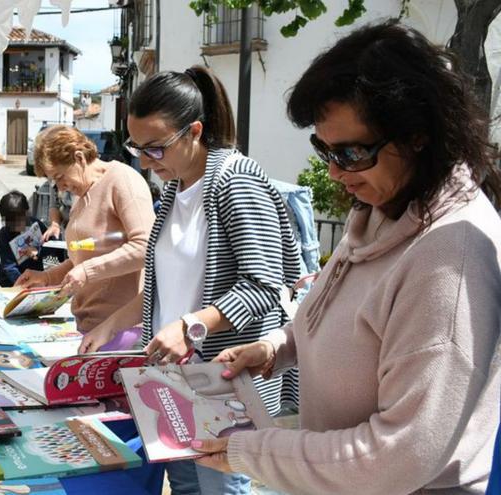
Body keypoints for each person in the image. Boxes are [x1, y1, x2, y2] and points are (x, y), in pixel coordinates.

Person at [189, 22, 501, 494]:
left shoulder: (449, 262)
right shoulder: (385, 205)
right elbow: (348, 318)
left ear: (418, 135)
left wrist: (248, 450)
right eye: (324, 149)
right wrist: (279, 348)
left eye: (352, 152)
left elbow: (401, 453)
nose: (334, 172)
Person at [78, 65, 300, 495]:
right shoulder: (174, 190)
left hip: (223, 386)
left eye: (155, 148)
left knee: (219, 489)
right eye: (136, 147)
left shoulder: (237, 181)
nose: (144, 161)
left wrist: (192, 326)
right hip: (175, 384)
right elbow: (168, 287)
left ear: (194, 131)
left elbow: (266, 283)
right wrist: (118, 327)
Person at [16, 125, 155, 336]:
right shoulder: (82, 195)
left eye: (60, 176)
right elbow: (85, 258)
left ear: (79, 158)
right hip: (90, 327)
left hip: (121, 331)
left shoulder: (122, 180)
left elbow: (146, 247)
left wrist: (87, 271)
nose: (60, 187)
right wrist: (46, 277)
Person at [0, 190, 46, 287]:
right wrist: (22, 283)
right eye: (11, 223)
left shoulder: (37, 226)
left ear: (26, 213)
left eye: (19, 221)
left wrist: (38, 251)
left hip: (35, 276)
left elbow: (53, 248)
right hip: (11, 281)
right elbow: (9, 266)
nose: (16, 227)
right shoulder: (4, 234)